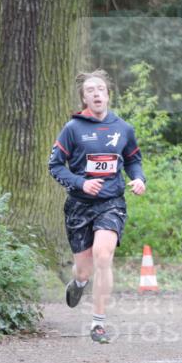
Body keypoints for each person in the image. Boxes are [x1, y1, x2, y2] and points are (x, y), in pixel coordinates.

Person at [48, 69, 146, 344]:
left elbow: (134, 160)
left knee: (104, 256)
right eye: (90, 90)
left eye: (100, 89)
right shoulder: (72, 129)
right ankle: (79, 283)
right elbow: (54, 166)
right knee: (84, 269)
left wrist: (138, 179)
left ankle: (98, 324)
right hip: (79, 205)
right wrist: (80, 183)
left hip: (111, 202)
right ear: (84, 98)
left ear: (108, 95)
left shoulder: (123, 129)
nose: (96, 93)